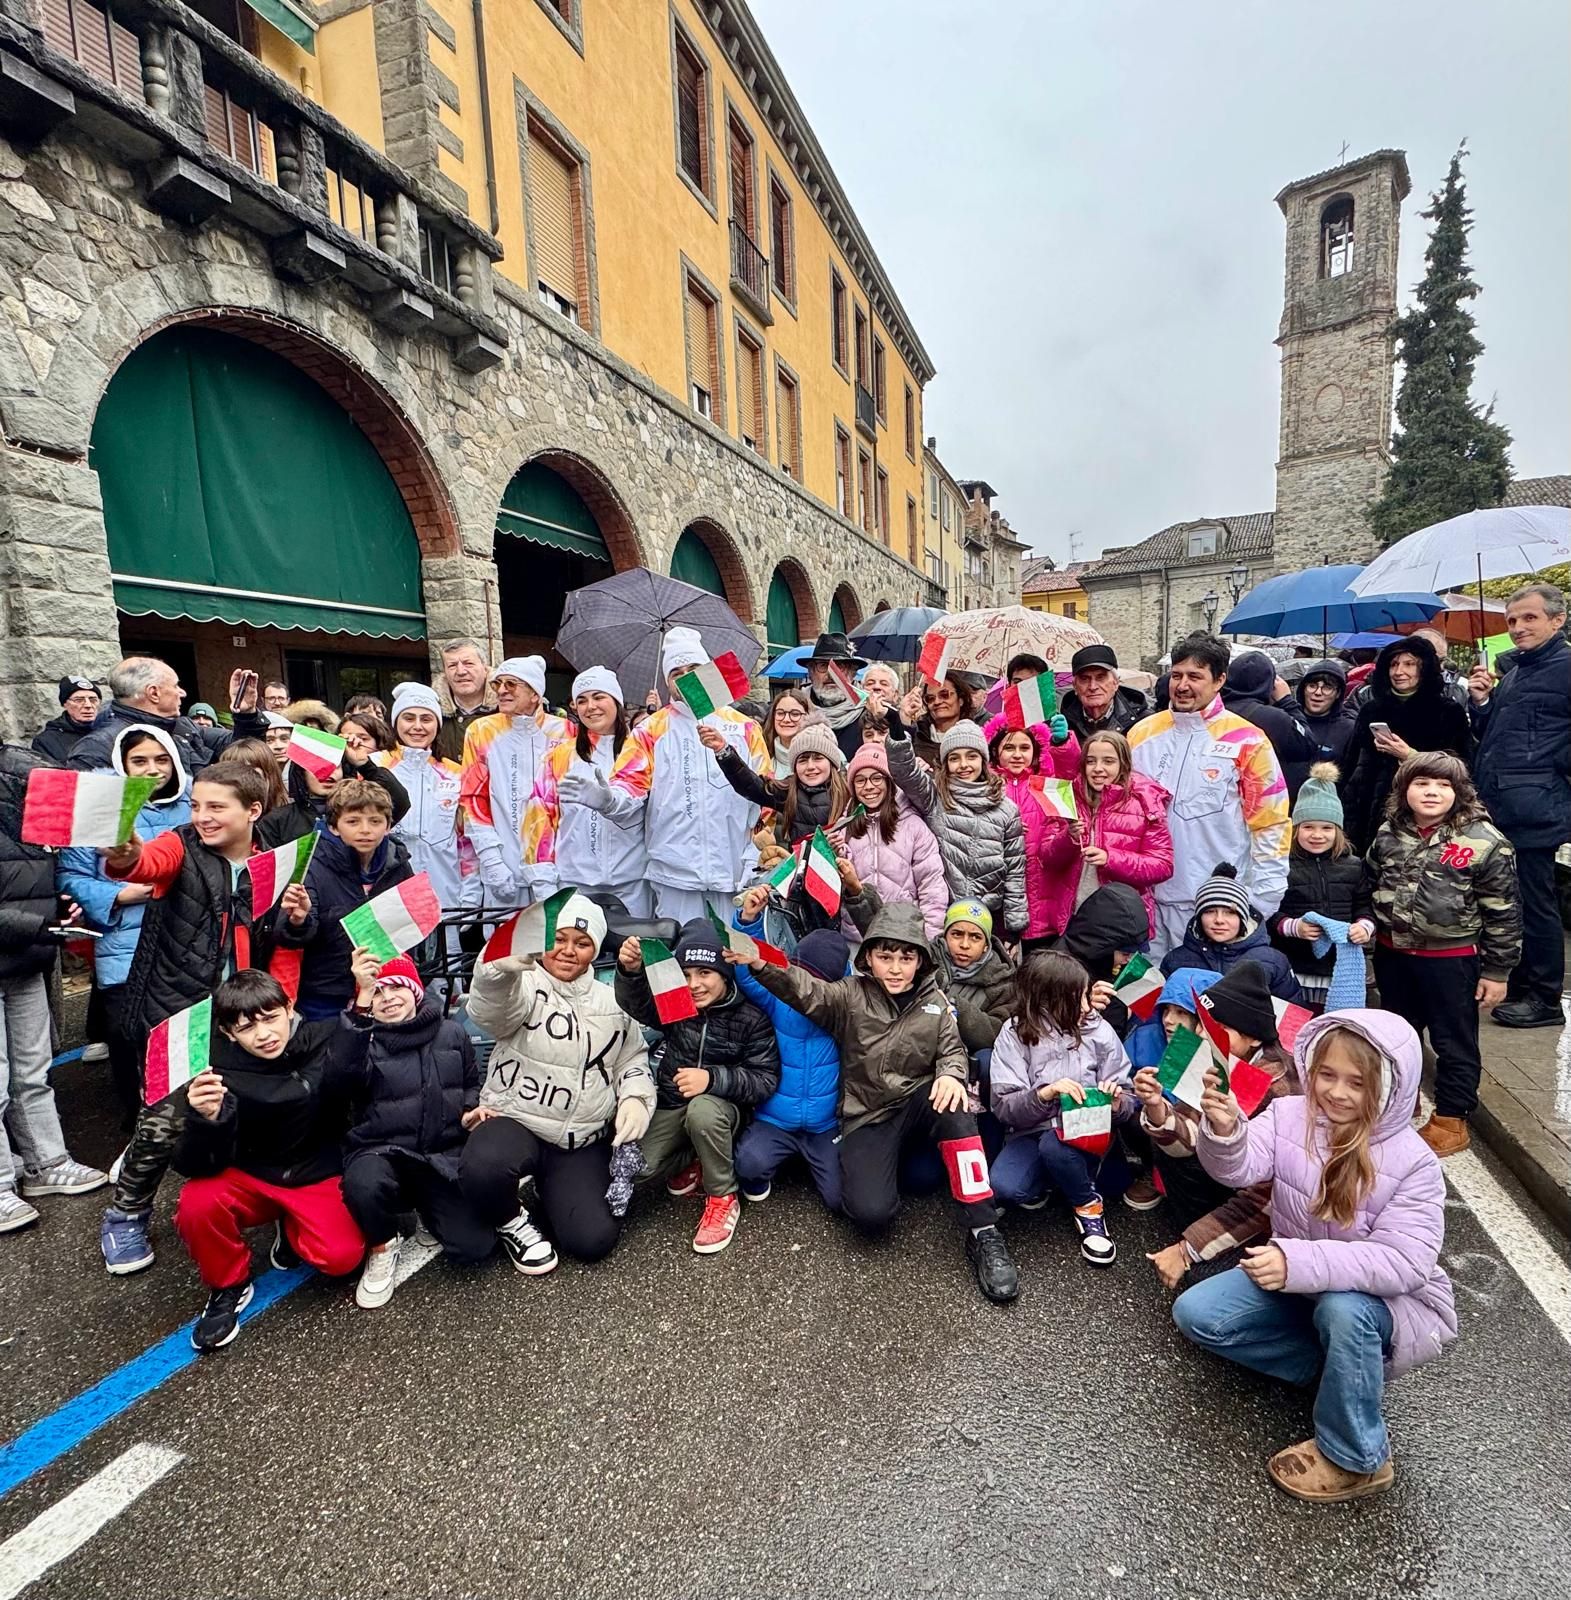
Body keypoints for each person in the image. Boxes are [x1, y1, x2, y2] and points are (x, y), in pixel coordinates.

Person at [1174, 1011, 1456, 1503]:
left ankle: (1360, 1457)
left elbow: (1405, 1262)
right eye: (1327, 1075)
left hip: (1383, 1303)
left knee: (1342, 1309)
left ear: (1392, 1086)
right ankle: (1332, 1371)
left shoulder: (1415, 1162)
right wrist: (1224, 1132)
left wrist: (1296, 1263)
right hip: (1301, 1279)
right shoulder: (1290, 1115)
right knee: (1198, 1315)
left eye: (1358, 1082)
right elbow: (1238, 1169)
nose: (1337, 1092)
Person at [739, 900, 1020, 1304]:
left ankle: (984, 1231)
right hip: (867, 1114)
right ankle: (906, 1166)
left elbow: (953, 1049)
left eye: (906, 957)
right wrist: (760, 964)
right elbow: (804, 988)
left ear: (920, 961)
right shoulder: (850, 996)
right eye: (884, 956)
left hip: (918, 1101)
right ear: (868, 957)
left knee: (956, 1104)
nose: (895, 967)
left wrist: (951, 1073)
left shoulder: (936, 1000)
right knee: (870, 1216)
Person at [96, 764, 308, 1274]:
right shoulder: (180, 845)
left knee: (257, 1108)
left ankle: (270, 1206)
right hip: (178, 1012)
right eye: (196, 805)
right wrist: (124, 854)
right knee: (165, 1119)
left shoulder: (276, 864)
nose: (202, 817)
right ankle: (125, 1212)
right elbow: (142, 863)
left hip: (244, 1012)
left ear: (253, 811)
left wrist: (286, 999)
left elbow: (282, 948)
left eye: (216, 807)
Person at [171, 970, 365, 1352]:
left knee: (341, 1259)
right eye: (246, 1027)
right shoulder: (211, 1071)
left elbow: (360, 1063)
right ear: (228, 1033)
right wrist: (205, 1119)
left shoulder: (325, 1036)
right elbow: (191, 1164)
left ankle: (292, 1225)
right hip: (251, 1173)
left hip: (314, 1170)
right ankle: (228, 1285)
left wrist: (366, 992)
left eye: (271, 1017)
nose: (263, 1034)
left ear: (289, 1008)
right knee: (195, 1203)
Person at [459, 894, 653, 1273]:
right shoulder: (525, 982)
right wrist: (497, 973)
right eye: (558, 940)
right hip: (518, 1121)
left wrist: (635, 1098)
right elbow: (491, 1012)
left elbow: (632, 1058)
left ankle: (552, 1191)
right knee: (484, 1167)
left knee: (592, 1240)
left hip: (578, 1139)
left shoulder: (611, 999)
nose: (567, 951)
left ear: (594, 951)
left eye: (581, 944)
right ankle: (511, 1219)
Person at [1366, 752, 1519, 1158]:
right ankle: (1401, 1102)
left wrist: (1498, 971)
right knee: (1397, 1036)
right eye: (1421, 783)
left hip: (1451, 960)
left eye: (1443, 785)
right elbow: (1369, 886)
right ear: (1404, 790)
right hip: (1393, 954)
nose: (1431, 792)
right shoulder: (1388, 833)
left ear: (1459, 792)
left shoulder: (1485, 842)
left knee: (1454, 1041)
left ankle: (1452, 1119)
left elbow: (1504, 912)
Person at [336, 951, 492, 1307]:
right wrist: (359, 1013)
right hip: (379, 1151)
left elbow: (469, 1082)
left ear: (415, 989)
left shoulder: (451, 1032)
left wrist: (468, 1111)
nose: (387, 998)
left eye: (396, 987)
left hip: (437, 1154)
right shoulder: (360, 1038)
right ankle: (382, 1244)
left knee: (475, 1246)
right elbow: (340, 1081)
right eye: (376, 991)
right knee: (364, 1184)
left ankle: (424, 1212)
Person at [614, 920, 779, 1253]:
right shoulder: (677, 1003)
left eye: (705, 973)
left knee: (703, 1111)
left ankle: (722, 1197)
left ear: (724, 974)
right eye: (686, 974)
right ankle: (695, 1157)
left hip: (723, 1110)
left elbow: (765, 1079)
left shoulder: (751, 1017)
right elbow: (639, 1005)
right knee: (637, 1169)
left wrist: (713, 1079)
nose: (694, 985)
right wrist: (629, 971)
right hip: (674, 1103)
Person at [1132, 961, 1300, 1286]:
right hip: (1233, 1182)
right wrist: (1155, 1105)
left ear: (1252, 1038)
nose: (1196, 1033)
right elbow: (1189, 1134)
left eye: (1213, 1026)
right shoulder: (1215, 1056)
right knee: (1166, 1138)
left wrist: (1189, 1248)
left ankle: (1217, 1245)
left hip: (1269, 1211)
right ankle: (1200, 1232)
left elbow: (1267, 1196)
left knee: (1199, 1288)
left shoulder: (1277, 1088)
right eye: (1201, 1023)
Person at [57, 727, 192, 1125]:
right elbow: (70, 875)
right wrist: (118, 895)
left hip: (183, 939)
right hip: (122, 943)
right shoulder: (102, 807)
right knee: (127, 1037)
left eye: (161, 760)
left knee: (183, 1038)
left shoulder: (193, 803)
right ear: (122, 763)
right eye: (140, 761)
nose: (152, 770)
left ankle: (185, 1125)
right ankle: (139, 1128)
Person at [0, 746, 108, 1233]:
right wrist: (41, 923)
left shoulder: (35, 801)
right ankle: (2, 1183)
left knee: (32, 1070)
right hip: (27, 941)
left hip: (24, 960)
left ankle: (47, 1163)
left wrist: (61, 912)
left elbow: (44, 879)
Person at [593, 628, 768, 927]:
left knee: (736, 960)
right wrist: (609, 800)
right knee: (680, 962)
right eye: (677, 672)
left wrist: (756, 853)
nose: (686, 678)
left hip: (734, 871)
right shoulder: (650, 730)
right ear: (667, 681)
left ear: (708, 671)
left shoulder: (744, 728)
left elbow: (767, 798)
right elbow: (629, 787)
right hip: (675, 872)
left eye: (694, 670)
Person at [1128, 633, 1290, 957]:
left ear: (1219, 680)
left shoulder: (1248, 740)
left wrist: (1261, 902)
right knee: (1151, 1001)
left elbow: (1271, 824)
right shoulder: (1141, 734)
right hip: (1148, 904)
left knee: (1208, 1002)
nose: (1183, 685)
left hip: (1214, 907)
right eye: (1177, 675)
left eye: (1195, 676)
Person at [989, 951, 1135, 1266]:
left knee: (1066, 1154)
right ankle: (1056, 1180)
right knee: (1005, 1188)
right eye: (1077, 997)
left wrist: (1116, 1100)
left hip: (1089, 1131)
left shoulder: (1099, 1030)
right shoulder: (1014, 1033)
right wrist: (1045, 1095)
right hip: (1033, 1130)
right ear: (1047, 1000)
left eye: (1085, 995)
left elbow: (1128, 1096)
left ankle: (1088, 1207)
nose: (1086, 1005)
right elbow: (1003, 1107)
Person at [1468, 582, 1571, 1029]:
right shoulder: (1518, 671)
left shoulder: (1565, 668)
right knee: (1512, 900)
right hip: (1504, 801)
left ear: (1557, 620)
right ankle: (1526, 982)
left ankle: (1546, 998)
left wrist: (1552, 770)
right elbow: (1507, 734)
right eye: (1512, 621)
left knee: (1534, 900)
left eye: (1529, 618)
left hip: (1536, 804)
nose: (1518, 628)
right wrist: (1484, 703)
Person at [881, 711, 1027, 942]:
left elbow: (1015, 868)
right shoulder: (935, 796)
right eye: (954, 758)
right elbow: (905, 772)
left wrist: (1014, 926)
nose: (964, 765)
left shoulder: (1007, 809)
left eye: (971, 756)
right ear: (945, 763)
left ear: (983, 760)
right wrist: (896, 725)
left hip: (987, 915)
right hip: (941, 913)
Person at [732, 926, 847, 1211]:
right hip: (775, 1121)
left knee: (841, 1199)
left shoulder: (847, 1007)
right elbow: (747, 969)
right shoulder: (778, 998)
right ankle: (768, 1169)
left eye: (816, 980)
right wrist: (748, 922)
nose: (806, 986)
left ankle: (811, 1161)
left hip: (825, 1125)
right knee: (748, 1165)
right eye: (801, 974)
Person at [279, 779, 413, 1022]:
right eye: (353, 822)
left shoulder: (398, 863)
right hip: (327, 995)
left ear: (388, 826)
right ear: (334, 827)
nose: (365, 830)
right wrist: (299, 921)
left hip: (387, 988)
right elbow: (289, 937)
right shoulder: (311, 864)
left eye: (375, 821)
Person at [523, 668, 650, 915]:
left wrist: (609, 802)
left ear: (617, 701)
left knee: (633, 953)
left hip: (632, 882)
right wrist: (543, 884)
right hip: (574, 882)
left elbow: (640, 803)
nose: (590, 706)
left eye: (599, 697)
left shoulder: (639, 751)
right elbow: (539, 821)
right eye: (582, 700)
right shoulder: (558, 756)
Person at [1340, 636, 1473, 853]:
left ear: (1424, 668)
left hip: (1425, 812)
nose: (1399, 671)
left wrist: (1411, 756)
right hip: (1368, 810)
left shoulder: (1447, 712)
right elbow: (1351, 762)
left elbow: (1461, 768)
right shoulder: (1371, 709)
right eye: (1393, 664)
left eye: (1409, 664)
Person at [1040, 728, 1173, 945]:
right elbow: (1047, 857)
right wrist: (1068, 838)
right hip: (1074, 918)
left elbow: (1162, 865)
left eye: (1108, 761)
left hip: (1122, 923)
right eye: (1091, 761)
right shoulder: (1068, 797)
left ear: (1123, 765)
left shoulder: (1144, 803)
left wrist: (1110, 858)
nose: (1098, 769)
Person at [459, 656, 567, 910]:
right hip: (503, 863)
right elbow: (473, 798)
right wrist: (491, 860)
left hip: (556, 868)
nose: (502, 690)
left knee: (556, 945)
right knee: (505, 947)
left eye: (512, 684)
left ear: (534, 694)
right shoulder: (481, 731)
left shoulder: (565, 732)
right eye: (498, 684)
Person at [1269, 765, 1372, 1012]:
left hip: (1339, 967)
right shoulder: (1282, 866)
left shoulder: (1354, 866)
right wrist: (1293, 927)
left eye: (1326, 828)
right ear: (1295, 829)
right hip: (1294, 964)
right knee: (1293, 1025)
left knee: (1335, 1028)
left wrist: (1364, 927)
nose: (1317, 835)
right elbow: (1268, 911)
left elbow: (1364, 906)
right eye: (1308, 827)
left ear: (1338, 831)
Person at [70, 657, 264, 775]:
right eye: (175, 686)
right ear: (153, 693)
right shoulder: (97, 748)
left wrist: (246, 714)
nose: (182, 693)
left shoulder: (184, 727)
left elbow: (242, 747)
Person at [981, 714, 1078, 947]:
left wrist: (1062, 743)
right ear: (995, 752)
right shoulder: (984, 788)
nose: (1017, 754)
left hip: (1042, 900)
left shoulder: (1047, 786)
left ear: (1036, 752)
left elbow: (1069, 771)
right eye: (1009, 747)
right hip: (999, 903)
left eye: (1024, 747)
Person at [255, 712, 409, 850]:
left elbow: (399, 801)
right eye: (317, 766)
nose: (328, 774)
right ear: (302, 773)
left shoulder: (362, 809)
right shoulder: (277, 821)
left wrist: (364, 764)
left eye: (335, 766)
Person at [841, 743, 948, 939]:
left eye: (876, 778)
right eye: (860, 780)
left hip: (904, 932)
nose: (869, 786)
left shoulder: (913, 825)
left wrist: (930, 937)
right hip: (857, 934)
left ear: (889, 782)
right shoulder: (844, 827)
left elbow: (931, 886)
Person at [384, 683, 467, 935]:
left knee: (447, 968)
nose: (417, 726)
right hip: (390, 889)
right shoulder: (378, 767)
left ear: (438, 725)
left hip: (444, 891)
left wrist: (470, 893)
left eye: (426, 719)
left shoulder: (455, 773)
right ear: (396, 722)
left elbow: (466, 841)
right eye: (409, 718)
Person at [1160, 863, 1304, 1002]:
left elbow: (1292, 1016)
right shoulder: (1175, 960)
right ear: (1198, 917)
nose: (1219, 920)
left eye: (1229, 913)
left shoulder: (1273, 961)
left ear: (1243, 917)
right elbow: (1157, 1014)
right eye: (1210, 911)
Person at [703, 715, 849, 851]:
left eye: (818, 758)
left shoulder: (849, 791)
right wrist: (723, 751)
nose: (810, 766)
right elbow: (751, 786)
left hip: (844, 870)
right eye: (803, 760)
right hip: (801, 869)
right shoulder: (789, 790)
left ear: (832, 762)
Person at [1223, 650, 1319, 801]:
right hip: (1263, 799)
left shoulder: (1214, 711)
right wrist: (1287, 701)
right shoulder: (1274, 719)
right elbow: (1307, 745)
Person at [1125, 966, 1223, 1073]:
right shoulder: (1140, 1043)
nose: (1168, 1019)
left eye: (1181, 1012)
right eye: (1166, 1009)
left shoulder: (1225, 1056)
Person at [802, 632, 869, 761]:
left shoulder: (869, 709)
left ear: (852, 673)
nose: (831, 673)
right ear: (811, 672)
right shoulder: (798, 709)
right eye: (823, 666)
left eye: (839, 666)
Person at [1060, 644, 1148, 741]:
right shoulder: (1062, 724)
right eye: (1084, 679)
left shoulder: (1143, 723)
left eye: (1100, 677)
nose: (1092, 687)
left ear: (1116, 683)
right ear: (1075, 686)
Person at [898, 673, 986, 769]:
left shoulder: (976, 736)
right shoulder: (917, 733)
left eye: (944, 695)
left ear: (961, 699)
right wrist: (904, 716)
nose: (937, 702)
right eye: (930, 698)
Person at [434, 638, 497, 765]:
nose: (461, 672)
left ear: (485, 668)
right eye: (452, 665)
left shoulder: (508, 709)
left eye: (468, 663)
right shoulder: (431, 714)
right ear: (444, 673)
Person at [1295, 660, 1358, 768]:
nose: (1318, 692)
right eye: (1312, 686)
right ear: (1303, 689)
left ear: (1338, 693)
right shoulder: (1288, 721)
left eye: (1327, 688)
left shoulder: (1349, 729)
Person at [31, 675, 102, 764]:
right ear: (65, 704)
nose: (88, 705)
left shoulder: (112, 732)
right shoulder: (47, 741)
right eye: (79, 700)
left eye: (93, 700)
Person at [213, 738, 288, 814]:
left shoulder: (288, 816)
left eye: (250, 771)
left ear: (268, 774)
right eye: (233, 772)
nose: (242, 779)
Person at [760, 688, 810, 778]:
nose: (786, 719)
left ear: (807, 717)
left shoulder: (827, 753)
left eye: (795, 714)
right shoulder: (759, 755)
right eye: (780, 713)